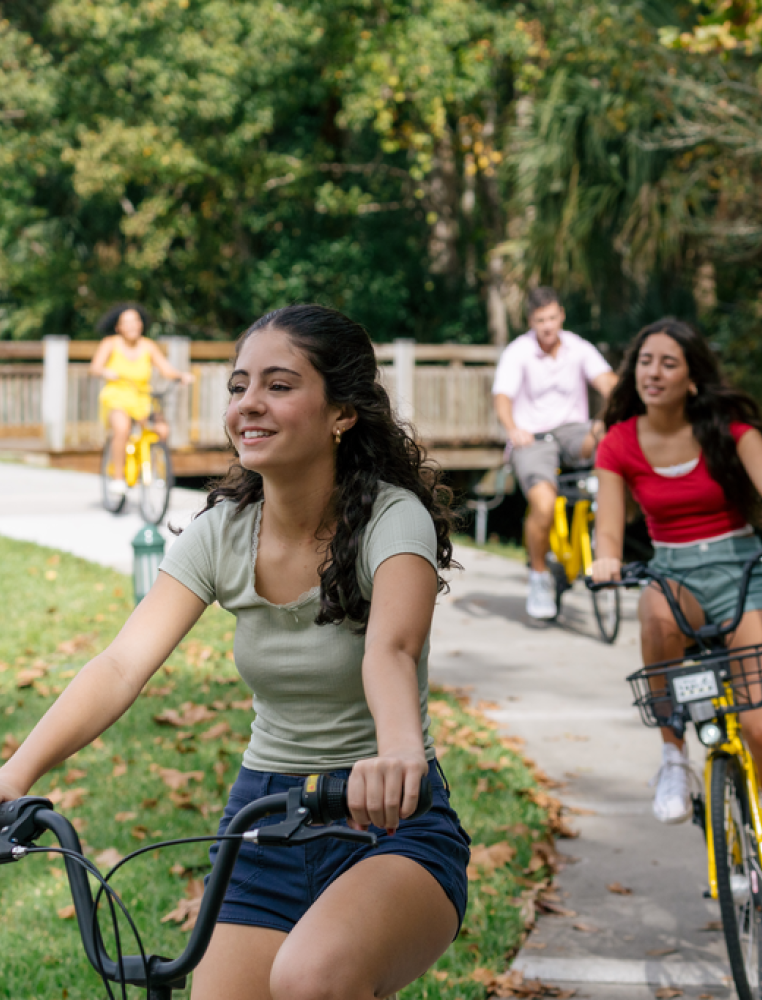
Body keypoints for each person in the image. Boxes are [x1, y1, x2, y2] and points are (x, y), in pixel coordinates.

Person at [1, 304, 471, 1000]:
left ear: (342, 412)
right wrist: (13, 776)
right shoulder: (222, 531)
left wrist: (398, 752)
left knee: (313, 978)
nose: (249, 404)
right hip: (264, 818)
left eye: (279, 385)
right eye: (239, 386)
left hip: (386, 814)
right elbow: (122, 665)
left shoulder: (391, 518)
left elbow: (392, 651)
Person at [591, 317, 762, 936]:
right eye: (644, 361)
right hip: (676, 573)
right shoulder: (618, 441)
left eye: (668, 363)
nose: (653, 372)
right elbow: (609, 524)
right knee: (652, 604)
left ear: (693, 377)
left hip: (743, 566)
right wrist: (605, 558)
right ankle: (673, 755)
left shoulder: (729, 428)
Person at [492, 287, 618, 619]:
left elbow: (608, 382)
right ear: (530, 322)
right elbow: (502, 397)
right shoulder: (518, 352)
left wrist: (609, 415)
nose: (547, 326)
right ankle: (538, 575)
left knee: (611, 443)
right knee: (543, 504)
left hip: (573, 431)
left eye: (551, 318)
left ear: (561, 314)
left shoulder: (578, 347)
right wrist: (512, 427)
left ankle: (606, 536)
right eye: (539, 320)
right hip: (533, 438)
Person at [90, 303, 194, 499]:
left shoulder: (148, 346)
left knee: (162, 429)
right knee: (121, 429)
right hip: (117, 396)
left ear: (141, 324)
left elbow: (167, 370)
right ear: (118, 327)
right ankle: (118, 478)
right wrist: (105, 371)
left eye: (135, 321)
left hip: (142, 398)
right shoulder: (110, 343)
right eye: (126, 322)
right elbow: (94, 368)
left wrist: (181, 376)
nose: (132, 326)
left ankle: (154, 466)